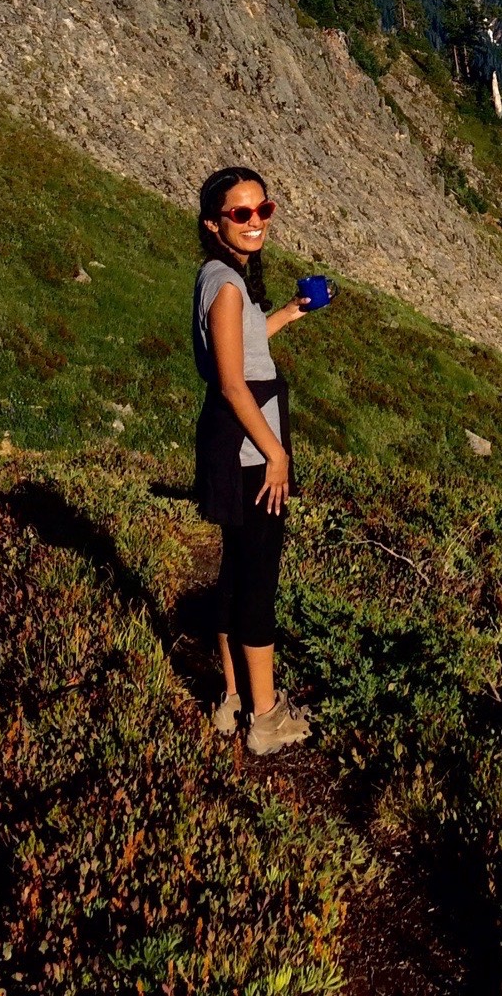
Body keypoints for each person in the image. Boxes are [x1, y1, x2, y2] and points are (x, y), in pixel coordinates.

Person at [193, 166, 313, 755]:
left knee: (237, 569)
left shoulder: (218, 277)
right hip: (248, 447)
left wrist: (288, 312)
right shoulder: (227, 286)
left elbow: (240, 345)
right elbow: (233, 382)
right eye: (241, 214)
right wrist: (275, 452)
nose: (256, 221)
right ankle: (266, 720)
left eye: (263, 209)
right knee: (258, 578)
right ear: (214, 225)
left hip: (232, 442)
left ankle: (233, 699)